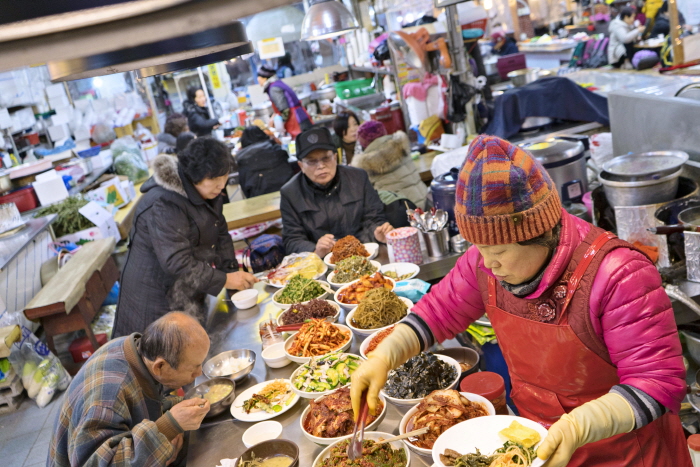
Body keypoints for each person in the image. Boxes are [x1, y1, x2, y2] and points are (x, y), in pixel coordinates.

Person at [351, 135, 690, 467]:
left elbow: (657, 383)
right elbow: (438, 312)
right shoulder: (484, 264)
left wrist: (578, 426)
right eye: (478, 248)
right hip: (536, 446)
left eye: (497, 251)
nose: (486, 262)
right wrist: (385, 355)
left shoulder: (617, 274)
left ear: (539, 233)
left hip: (628, 454)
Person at [114, 138, 257, 337]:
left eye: (223, 176)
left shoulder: (208, 193)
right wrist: (225, 279)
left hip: (187, 290)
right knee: (162, 355)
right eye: (214, 180)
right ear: (193, 176)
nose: (221, 185)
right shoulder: (164, 202)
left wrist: (232, 274)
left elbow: (220, 232)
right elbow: (177, 262)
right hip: (155, 300)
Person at [49, 312, 212, 467]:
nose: (199, 373)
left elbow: (142, 406)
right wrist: (168, 427)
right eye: (194, 368)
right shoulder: (109, 397)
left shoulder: (140, 352)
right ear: (160, 366)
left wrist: (177, 409)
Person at [280, 127, 393, 257]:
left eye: (326, 158)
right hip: (323, 262)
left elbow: (374, 217)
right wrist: (316, 250)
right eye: (312, 161)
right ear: (301, 166)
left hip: (364, 252)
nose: (320, 166)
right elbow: (292, 239)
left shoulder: (358, 177)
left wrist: (377, 232)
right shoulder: (290, 193)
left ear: (335, 157)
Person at [351, 121, 427, 209]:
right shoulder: (401, 145)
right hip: (426, 202)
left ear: (362, 142)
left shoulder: (364, 164)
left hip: (403, 213)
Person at [236, 126, 294, 198]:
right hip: (288, 193)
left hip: (258, 197)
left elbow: (244, 186)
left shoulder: (242, 160)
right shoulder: (277, 150)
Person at [257, 65, 312, 138]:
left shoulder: (274, 89)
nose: (258, 79)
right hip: (300, 116)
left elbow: (285, 110)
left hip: (296, 120)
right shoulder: (277, 84)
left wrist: (279, 125)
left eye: (258, 77)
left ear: (264, 78)